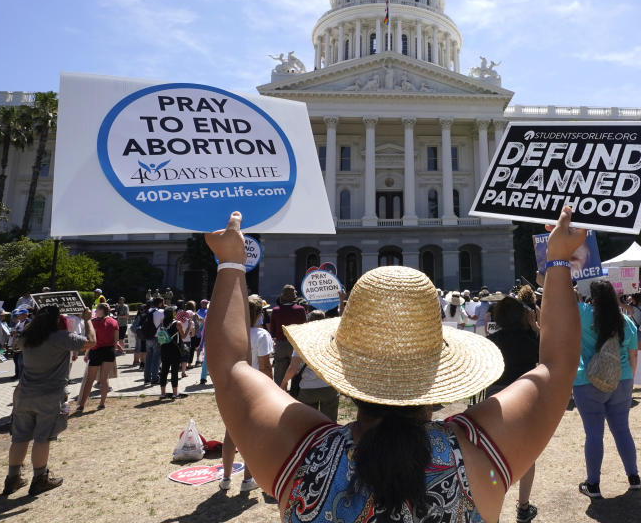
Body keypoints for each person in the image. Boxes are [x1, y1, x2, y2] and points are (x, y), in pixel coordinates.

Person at [202, 206, 585, 522]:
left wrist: (231, 264)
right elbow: (556, 367)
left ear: (343, 372)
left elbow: (231, 365)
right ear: (438, 378)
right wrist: (557, 261)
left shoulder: (303, 454)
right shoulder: (476, 453)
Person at [2, 305, 96, 497]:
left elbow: (17, 340)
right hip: (50, 395)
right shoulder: (60, 338)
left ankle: (12, 479)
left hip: (24, 394)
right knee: (42, 438)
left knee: (19, 438)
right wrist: (87, 320)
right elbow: (91, 342)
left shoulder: (27, 338)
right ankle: (40, 479)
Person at [573, 280, 641, 499]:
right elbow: (633, 356)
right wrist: (629, 382)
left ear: (592, 297)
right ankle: (634, 478)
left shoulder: (582, 313)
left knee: (593, 433)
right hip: (622, 379)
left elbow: (563, 301)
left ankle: (593, 484)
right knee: (622, 430)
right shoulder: (626, 320)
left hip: (588, 379)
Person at [487, 296, 541, 521]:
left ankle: (492, 507)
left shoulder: (492, 342)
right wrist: (535, 326)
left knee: (493, 455)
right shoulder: (532, 341)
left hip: (496, 401)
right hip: (524, 398)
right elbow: (547, 353)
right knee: (527, 454)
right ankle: (523, 506)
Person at [221, 295, 272, 492]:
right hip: (255, 388)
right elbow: (266, 365)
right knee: (252, 436)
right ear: (259, 314)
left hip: (233, 387)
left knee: (230, 433)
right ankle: (247, 480)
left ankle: (225, 478)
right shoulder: (261, 335)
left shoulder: (232, 332)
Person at [280, 310, 338, 422]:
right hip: (329, 387)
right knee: (330, 423)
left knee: (309, 424)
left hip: (307, 389)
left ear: (308, 322)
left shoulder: (302, 341)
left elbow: (293, 367)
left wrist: (284, 383)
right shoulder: (333, 339)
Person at [76, 303, 123, 412]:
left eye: (96, 310)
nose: (95, 312)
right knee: (104, 378)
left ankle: (82, 404)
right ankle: (102, 403)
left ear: (101, 310)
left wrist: (86, 353)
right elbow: (116, 340)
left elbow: (92, 340)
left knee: (90, 379)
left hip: (96, 351)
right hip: (109, 351)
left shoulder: (94, 323)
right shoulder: (114, 322)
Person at [269, 285, 306, 386]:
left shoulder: (275, 310)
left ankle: (279, 394)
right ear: (293, 295)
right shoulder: (300, 309)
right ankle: (294, 393)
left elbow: (272, 331)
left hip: (280, 344)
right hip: (295, 345)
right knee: (296, 371)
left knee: (279, 374)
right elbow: (304, 329)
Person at [158, 308, 186, 400]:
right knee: (174, 372)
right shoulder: (177, 323)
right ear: (173, 314)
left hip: (164, 349)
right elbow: (184, 336)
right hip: (175, 350)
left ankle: (162, 393)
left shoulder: (162, 323)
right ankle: (175, 393)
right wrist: (189, 326)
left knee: (164, 372)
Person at [143, 297, 165, 386]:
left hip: (148, 337)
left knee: (148, 358)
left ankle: (146, 378)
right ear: (160, 303)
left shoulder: (148, 311)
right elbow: (164, 323)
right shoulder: (161, 312)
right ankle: (155, 378)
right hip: (157, 337)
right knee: (156, 359)